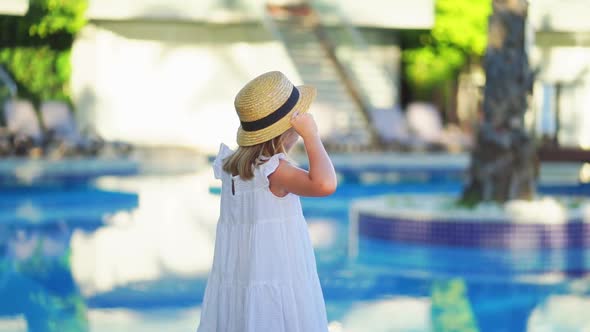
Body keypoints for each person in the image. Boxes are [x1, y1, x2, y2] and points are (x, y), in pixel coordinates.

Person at [196, 71, 337, 332]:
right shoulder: (275, 171)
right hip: (277, 275)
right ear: (289, 129)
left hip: (243, 277)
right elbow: (325, 184)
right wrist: (312, 136)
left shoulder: (232, 168)